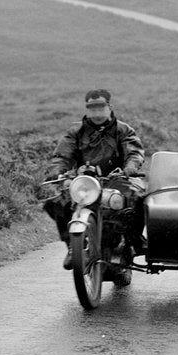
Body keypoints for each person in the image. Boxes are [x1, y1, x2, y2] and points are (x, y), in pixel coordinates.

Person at [44, 89, 145, 269]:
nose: (97, 113)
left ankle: (135, 240)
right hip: (84, 182)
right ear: (86, 109)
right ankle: (73, 247)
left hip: (117, 178)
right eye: (92, 108)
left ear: (109, 107)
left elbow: (134, 152)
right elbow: (61, 156)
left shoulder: (123, 130)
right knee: (57, 202)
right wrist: (57, 172)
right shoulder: (75, 131)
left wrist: (129, 168)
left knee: (137, 199)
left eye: (101, 108)